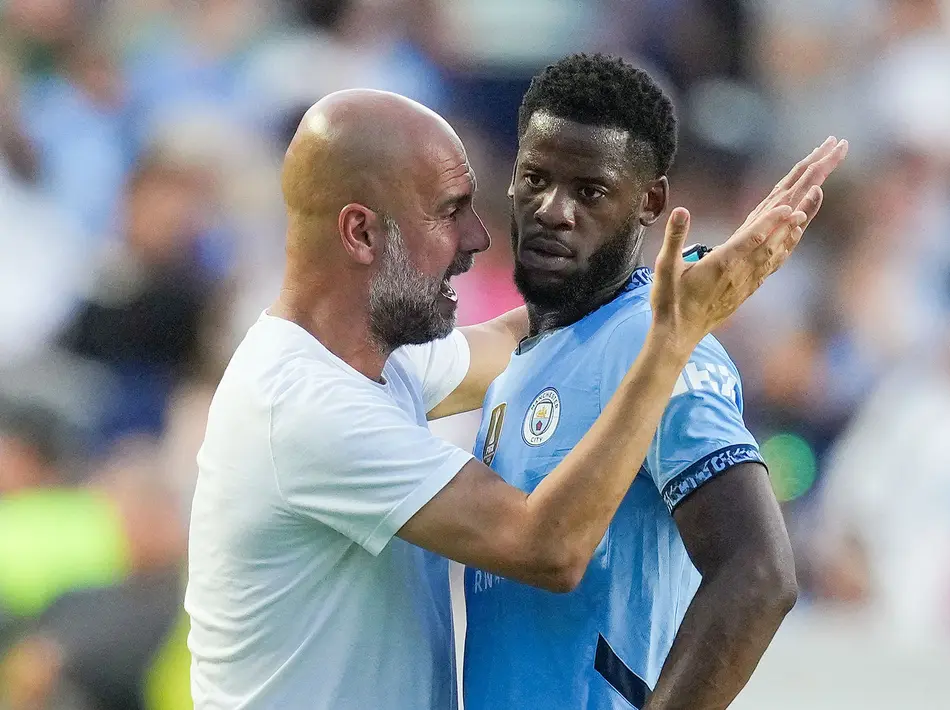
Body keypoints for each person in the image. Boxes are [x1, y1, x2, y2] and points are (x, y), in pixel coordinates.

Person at [184, 86, 835, 709]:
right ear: (360, 233)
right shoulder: (304, 407)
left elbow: (511, 334)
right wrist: (671, 339)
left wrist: (666, 284)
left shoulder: (373, 360)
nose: (478, 239)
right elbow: (543, 547)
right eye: (447, 211)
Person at [461, 54, 848, 710]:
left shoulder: (657, 344)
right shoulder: (523, 354)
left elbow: (758, 573)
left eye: (589, 191)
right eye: (535, 179)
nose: (553, 210)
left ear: (650, 201)